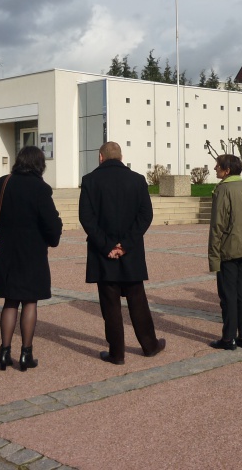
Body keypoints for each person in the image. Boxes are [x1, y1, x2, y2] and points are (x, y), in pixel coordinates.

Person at [78, 141, 166, 365]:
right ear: (120, 156)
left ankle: (117, 354)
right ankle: (150, 345)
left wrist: (107, 246)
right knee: (138, 300)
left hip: (102, 252)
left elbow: (86, 218)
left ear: (101, 157)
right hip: (131, 251)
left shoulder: (90, 181)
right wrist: (125, 244)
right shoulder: (137, 180)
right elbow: (145, 216)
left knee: (110, 304)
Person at [0, 146, 62, 371]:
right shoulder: (40, 187)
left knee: (10, 301)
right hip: (32, 251)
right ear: (40, 164)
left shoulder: (2, 183)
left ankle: (4, 352)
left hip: (7, 250)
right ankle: (26, 354)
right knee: (29, 301)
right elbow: (50, 222)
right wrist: (53, 236)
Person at [208, 154, 242, 350]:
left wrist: (213, 257)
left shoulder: (223, 189)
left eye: (218, 166)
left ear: (227, 170)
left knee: (228, 295)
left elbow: (217, 226)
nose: (215, 168)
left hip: (229, 249)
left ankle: (228, 338)